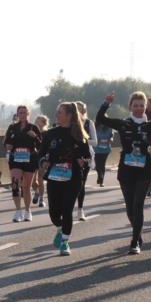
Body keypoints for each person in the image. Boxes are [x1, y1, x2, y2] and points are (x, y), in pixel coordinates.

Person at [96, 91, 151, 255]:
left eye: (142, 105)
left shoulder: (149, 124)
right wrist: (106, 103)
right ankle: (138, 233)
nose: (138, 108)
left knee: (138, 206)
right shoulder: (123, 124)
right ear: (130, 106)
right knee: (130, 208)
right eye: (135, 105)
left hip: (144, 169)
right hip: (126, 169)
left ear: (146, 107)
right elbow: (102, 119)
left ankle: (134, 241)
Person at [39, 102, 91, 256]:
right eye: (57, 112)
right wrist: (43, 162)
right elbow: (40, 154)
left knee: (67, 210)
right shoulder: (49, 134)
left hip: (73, 178)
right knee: (54, 213)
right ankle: (60, 228)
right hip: (54, 177)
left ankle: (65, 242)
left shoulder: (79, 135)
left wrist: (83, 161)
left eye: (60, 112)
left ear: (69, 115)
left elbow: (87, 156)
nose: (56, 115)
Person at [3, 105, 42, 222]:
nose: (22, 115)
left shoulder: (33, 127)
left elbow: (41, 145)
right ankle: (18, 211)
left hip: (30, 159)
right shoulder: (12, 127)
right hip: (16, 159)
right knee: (15, 185)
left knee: (26, 187)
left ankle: (27, 211)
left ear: (28, 114)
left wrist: (35, 136)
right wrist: (7, 146)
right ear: (17, 114)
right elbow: (6, 142)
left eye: (25, 113)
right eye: (20, 113)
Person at [74, 101, 98, 221]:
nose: (77, 112)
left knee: (81, 183)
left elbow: (94, 141)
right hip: (71, 156)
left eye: (79, 109)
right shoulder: (69, 124)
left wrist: (82, 141)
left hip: (85, 156)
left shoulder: (89, 123)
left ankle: (80, 210)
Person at [32, 115, 50, 208]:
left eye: (38, 121)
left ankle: (41, 199)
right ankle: (37, 192)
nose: (36, 122)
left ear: (44, 123)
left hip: (42, 158)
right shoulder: (32, 132)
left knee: (40, 178)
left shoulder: (47, 133)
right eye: (36, 120)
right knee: (33, 181)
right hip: (33, 157)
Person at [94, 122, 114, 186]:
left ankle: (101, 180)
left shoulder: (110, 127)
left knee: (102, 164)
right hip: (96, 149)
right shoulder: (95, 127)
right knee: (97, 165)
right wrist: (97, 140)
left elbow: (112, 136)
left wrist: (110, 139)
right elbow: (91, 136)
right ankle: (100, 175)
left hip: (106, 149)